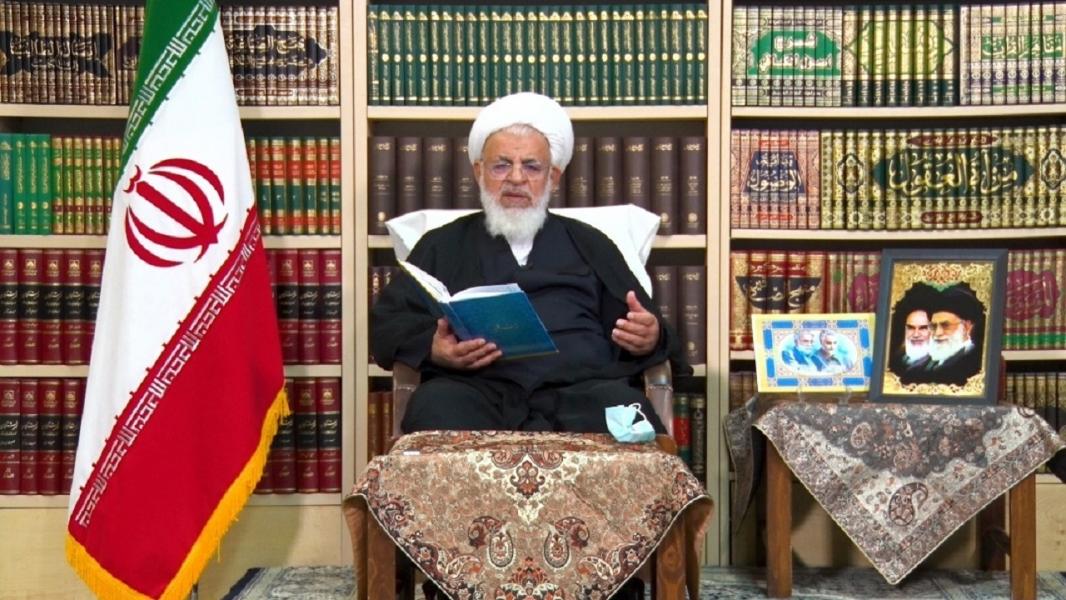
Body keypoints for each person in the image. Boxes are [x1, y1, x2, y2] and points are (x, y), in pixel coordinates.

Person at [371, 91, 688, 438]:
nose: (516, 178)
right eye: (501, 165)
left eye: (532, 167)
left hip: (581, 393)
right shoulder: (442, 244)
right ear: (479, 172)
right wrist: (433, 349)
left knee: (629, 414)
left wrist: (650, 336)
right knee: (435, 407)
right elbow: (388, 324)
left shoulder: (590, 243)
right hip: (475, 392)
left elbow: (645, 325)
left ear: (553, 177)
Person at [892, 282, 985, 387]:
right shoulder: (917, 369)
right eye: (933, 326)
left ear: (967, 328)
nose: (937, 333)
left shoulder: (975, 365)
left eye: (946, 325)